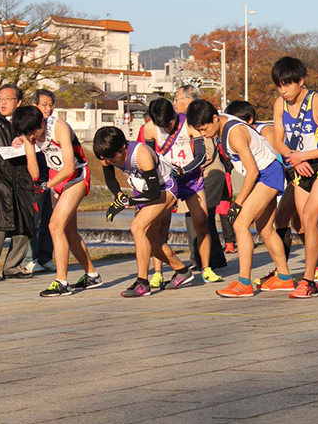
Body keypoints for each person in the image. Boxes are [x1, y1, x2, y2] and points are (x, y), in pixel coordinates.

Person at [187, 99, 294, 296]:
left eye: (205, 129)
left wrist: (238, 203)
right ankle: (285, 278)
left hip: (267, 174)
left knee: (239, 224)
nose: (203, 134)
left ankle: (244, 282)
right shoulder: (221, 125)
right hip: (265, 174)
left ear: (215, 118)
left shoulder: (233, 133)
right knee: (265, 230)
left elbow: (252, 171)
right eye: (200, 131)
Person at [271, 56, 318, 298]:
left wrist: (304, 156)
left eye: (288, 85)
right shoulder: (280, 104)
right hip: (300, 168)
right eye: (279, 85)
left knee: (311, 218)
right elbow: (278, 140)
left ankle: (309, 280)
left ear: (300, 81)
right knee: (304, 224)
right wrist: (294, 157)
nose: (283, 91)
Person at [93, 126, 193, 298]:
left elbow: (154, 194)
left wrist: (127, 202)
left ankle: (142, 282)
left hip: (164, 189)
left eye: (111, 157)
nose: (108, 161)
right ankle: (182, 270)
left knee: (137, 227)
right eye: (105, 158)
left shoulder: (142, 155)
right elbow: (110, 178)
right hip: (145, 191)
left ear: (123, 147)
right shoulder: (107, 154)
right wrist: (119, 196)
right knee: (150, 241)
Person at [13, 105, 99, 296]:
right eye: (27, 135)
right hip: (56, 179)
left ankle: (61, 282)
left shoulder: (59, 127)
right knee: (69, 231)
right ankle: (92, 274)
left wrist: (48, 185)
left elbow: (69, 167)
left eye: (33, 132)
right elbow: (33, 166)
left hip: (75, 176)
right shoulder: (29, 133)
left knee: (54, 226)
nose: (32, 138)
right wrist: (38, 182)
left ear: (41, 122)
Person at [140, 98, 222, 286]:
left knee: (201, 223)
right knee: (159, 227)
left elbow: (201, 156)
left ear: (174, 115)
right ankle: (158, 272)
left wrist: (185, 169)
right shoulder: (150, 129)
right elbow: (149, 159)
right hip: (167, 183)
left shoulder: (189, 124)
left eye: (169, 124)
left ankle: (206, 269)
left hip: (191, 180)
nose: (167, 129)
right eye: (162, 126)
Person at [173, 85, 228, 270]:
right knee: (200, 219)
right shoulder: (186, 120)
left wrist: (185, 169)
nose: (174, 103)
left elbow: (207, 153)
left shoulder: (197, 119)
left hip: (207, 174)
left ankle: (204, 260)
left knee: (200, 218)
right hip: (196, 175)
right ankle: (207, 259)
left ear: (188, 101)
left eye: (177, 99)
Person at [0, 84, 34, 280]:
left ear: (18, 102)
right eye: (0, 99)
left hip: (21, 179)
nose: (2, 103)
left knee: (23, 225)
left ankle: (12, 267)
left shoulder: (24, 123)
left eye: (7, 99)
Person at [22, 89, 57, 274]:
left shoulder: (55, 125)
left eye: (51, 105)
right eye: (44, 104)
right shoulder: (27, 122)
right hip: (34, 178)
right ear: (35, 104)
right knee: (33, 220)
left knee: (49, 220)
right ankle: (30, 259)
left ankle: (45, 257)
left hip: (54, 178)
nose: (48, 108)